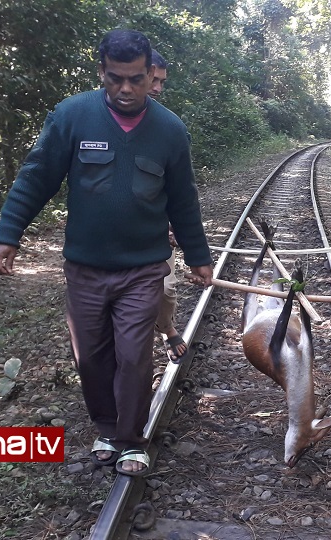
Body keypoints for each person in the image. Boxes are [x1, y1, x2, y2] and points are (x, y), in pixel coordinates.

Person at [0, 29, 213, 477]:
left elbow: (183, 200)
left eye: (135, 79)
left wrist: (197, 255)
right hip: (85, 269)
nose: (125, 89)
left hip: (143, 268)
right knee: (90, 357)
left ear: (150, 74)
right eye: (115, 78)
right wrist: (7, 233)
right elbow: (36, 177)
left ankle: (130, 440)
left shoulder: (169, 130)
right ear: (101, 73)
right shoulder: (73, 116)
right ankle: (107, 429)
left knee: (133, 355)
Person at [147, 49, 186, 362]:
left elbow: (178, 186)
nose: (158, 88)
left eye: (162, 82)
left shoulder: (168, 126)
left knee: (164, 289)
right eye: (153, 80)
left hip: (159, 232)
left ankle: (166, 327)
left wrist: (173, 224)